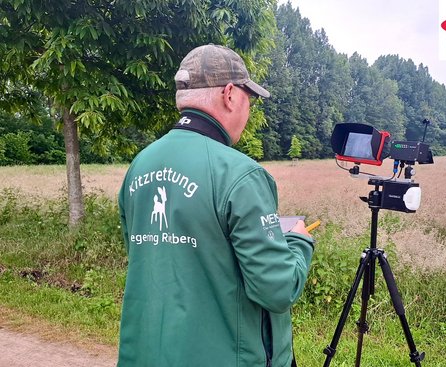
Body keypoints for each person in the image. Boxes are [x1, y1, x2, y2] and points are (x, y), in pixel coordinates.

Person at [117, 44, 315, 367]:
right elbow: (277, 289)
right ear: (229, 95)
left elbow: (153, 259)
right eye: (248, 98)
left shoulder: (138, 167)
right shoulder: (241, 175)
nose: (248, 110)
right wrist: (299, 240)